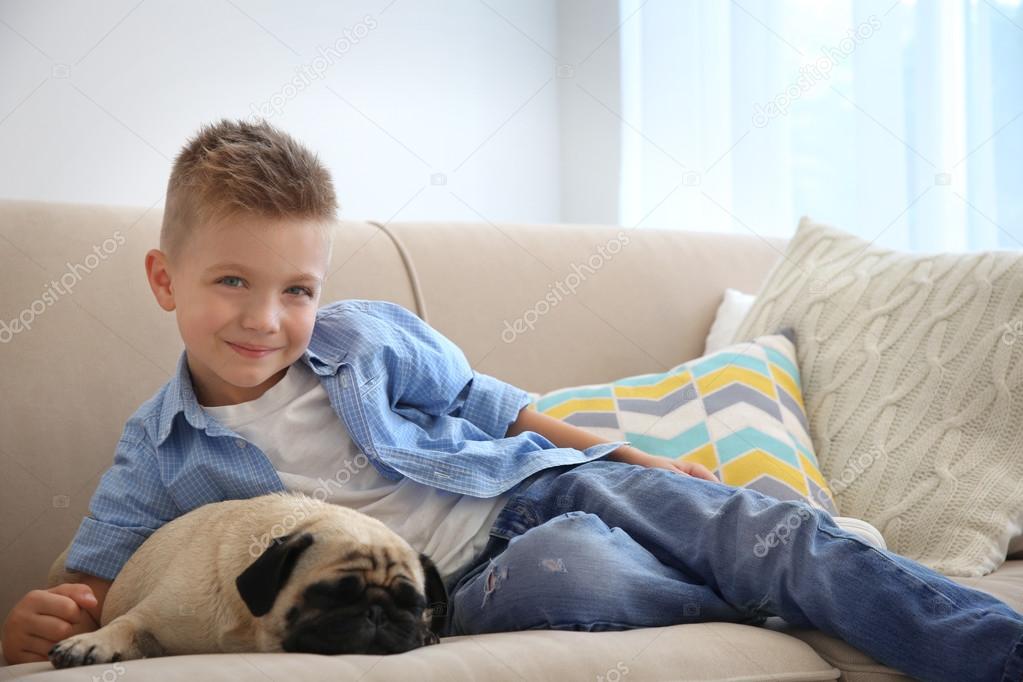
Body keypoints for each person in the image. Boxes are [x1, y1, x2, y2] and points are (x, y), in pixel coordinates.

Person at [3, 119, 1021, 682]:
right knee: (587, 576)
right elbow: (96, 583)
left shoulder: (366, 339)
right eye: (232, 282)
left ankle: (983, 645)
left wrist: (628, 457)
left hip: (534, 485)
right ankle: (774, 567)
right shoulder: (161, 448)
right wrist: (48, 615)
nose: (266, 318)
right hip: (466, 581)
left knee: (756, 529)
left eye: (296, 288)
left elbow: (499, 405)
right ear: (164, 279)